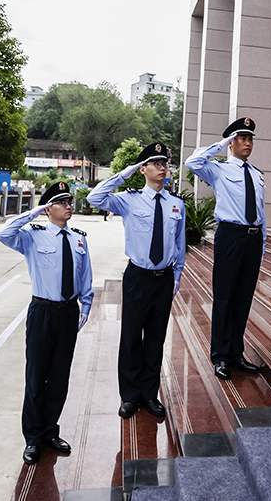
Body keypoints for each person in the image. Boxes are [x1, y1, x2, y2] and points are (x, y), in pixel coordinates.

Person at [0, 181, 93, 465]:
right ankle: (33, 438)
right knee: (37, 376)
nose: (68, 205)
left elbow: (85, 274)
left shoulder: (78, 238)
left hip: (68, 312)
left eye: (69, 201)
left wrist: (86, 304)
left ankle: (50, 431)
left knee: (60, 376)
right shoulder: (32, 235)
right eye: (61, 201)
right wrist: (33, 212)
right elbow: (3, 233)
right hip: (42, 311)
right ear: (49, 207)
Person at [87, 142, 185, 418]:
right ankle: (129, 396)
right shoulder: (128, 199)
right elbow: (95, 197)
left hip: (163, 278)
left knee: (156, 337)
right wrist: (124, 173)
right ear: (143, 169)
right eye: (155, 163)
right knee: (131, 337)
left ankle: (149, 394)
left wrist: (176, 277)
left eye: (164, 163)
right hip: (137, 277)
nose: (162, 167)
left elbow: (180, 244)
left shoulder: (176, 204)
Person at [185, 117, 266, 380]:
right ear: (232, 142)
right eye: (242, 138)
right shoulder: (218, 169)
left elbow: (261, 211)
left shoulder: (257, 175)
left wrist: (261, 245)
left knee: (243, 298)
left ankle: (235, 353)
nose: (248, 143)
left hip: (252, 239)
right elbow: (192, 163)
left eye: (250, 138)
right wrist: (220, 144)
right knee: (224, 297)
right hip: (230, 237)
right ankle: (220, 355)